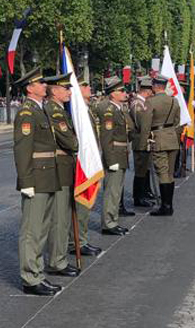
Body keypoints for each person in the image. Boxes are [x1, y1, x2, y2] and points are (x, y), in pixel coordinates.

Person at [12, 67, 62, 296]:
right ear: (30, 88)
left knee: (42, 229)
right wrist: (26, 181)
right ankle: (30, 278)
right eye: (40, 83)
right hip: (36, 177)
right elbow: (23, 149)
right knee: (31, 230)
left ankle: (38, 272)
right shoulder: (27, 113)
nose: (45, 86)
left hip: (48, 176)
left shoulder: (40, 110)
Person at [44, 72, 80, 278]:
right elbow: (70, 142)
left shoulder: (59, 110)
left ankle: (60, 256)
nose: (69, 91)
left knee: (63, 215)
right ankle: (57, 261)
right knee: (59, 217)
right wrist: (76, 142)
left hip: (64, 166)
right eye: (66, 88)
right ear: (55, 90)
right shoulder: (54, 112)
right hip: (59, 166)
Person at [137, 75, 181, 217]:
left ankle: (165, 206)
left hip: (158, 139)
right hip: (172, 138)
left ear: (155, 86)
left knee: (162, 173)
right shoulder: (174, 101)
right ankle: (170, 205)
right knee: (169, 173)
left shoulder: (151, 102)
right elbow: (177, 121)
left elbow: (145, 125)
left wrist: (143, 144)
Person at [70, 78, 103, 256]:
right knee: (80, 205)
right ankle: (77, 241)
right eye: (85, 86)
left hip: (89, 160)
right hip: (81, 163)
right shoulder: (76, 110)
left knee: (84, 207)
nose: (89, 88)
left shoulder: (86, 109)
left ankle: (80, 239)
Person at [96, 78, 133, 236]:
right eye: (122, 91)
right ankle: (108, 223)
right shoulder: (110, 111)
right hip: (115, 156)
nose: (125, 93)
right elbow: (106, 138)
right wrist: (110, 160)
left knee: (116, 191)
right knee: (112, 191)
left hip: (121, 154)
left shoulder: (119, 109)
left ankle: (113, 220)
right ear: (113, 94)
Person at [130, 77, 156, 207]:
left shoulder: (144, 103)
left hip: (144, 140)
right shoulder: (137, 104)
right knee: (140, 170)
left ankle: (145, 193)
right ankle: (138, 197)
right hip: (140, 141)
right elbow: (141, 124)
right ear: (147, 90)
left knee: (145, 169)